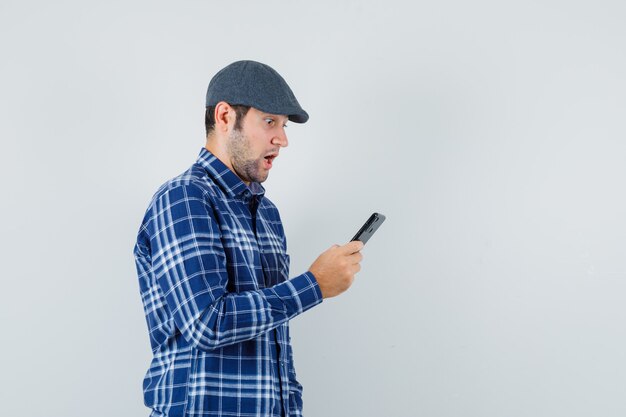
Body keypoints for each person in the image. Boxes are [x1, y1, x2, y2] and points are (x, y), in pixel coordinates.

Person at [133, 60, 364, 417]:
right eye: (270, 121)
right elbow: (206, 323)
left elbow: (273, 344)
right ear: (225, 117)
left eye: (284, 126)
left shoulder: (267, 212)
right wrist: (314, 284)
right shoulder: (184, 198)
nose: (282, 140)